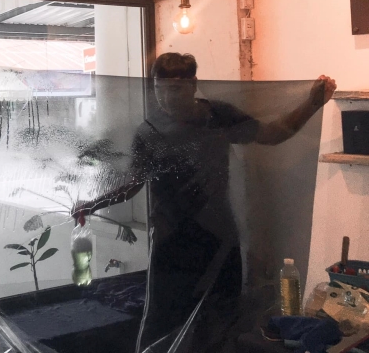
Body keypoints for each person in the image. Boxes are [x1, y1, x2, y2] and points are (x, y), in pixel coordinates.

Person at [73, 52, 336, 353]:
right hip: (171, 242)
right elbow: (132, 185)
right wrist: (92, 204)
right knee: (163, 319)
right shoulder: (150, 131)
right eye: (159, 89)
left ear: (193, 84)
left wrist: (312, 103)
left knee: (222, 317)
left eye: (175, 88)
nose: (166, 97)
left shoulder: (217, 116)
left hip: (218, 237)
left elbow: (272, 134)